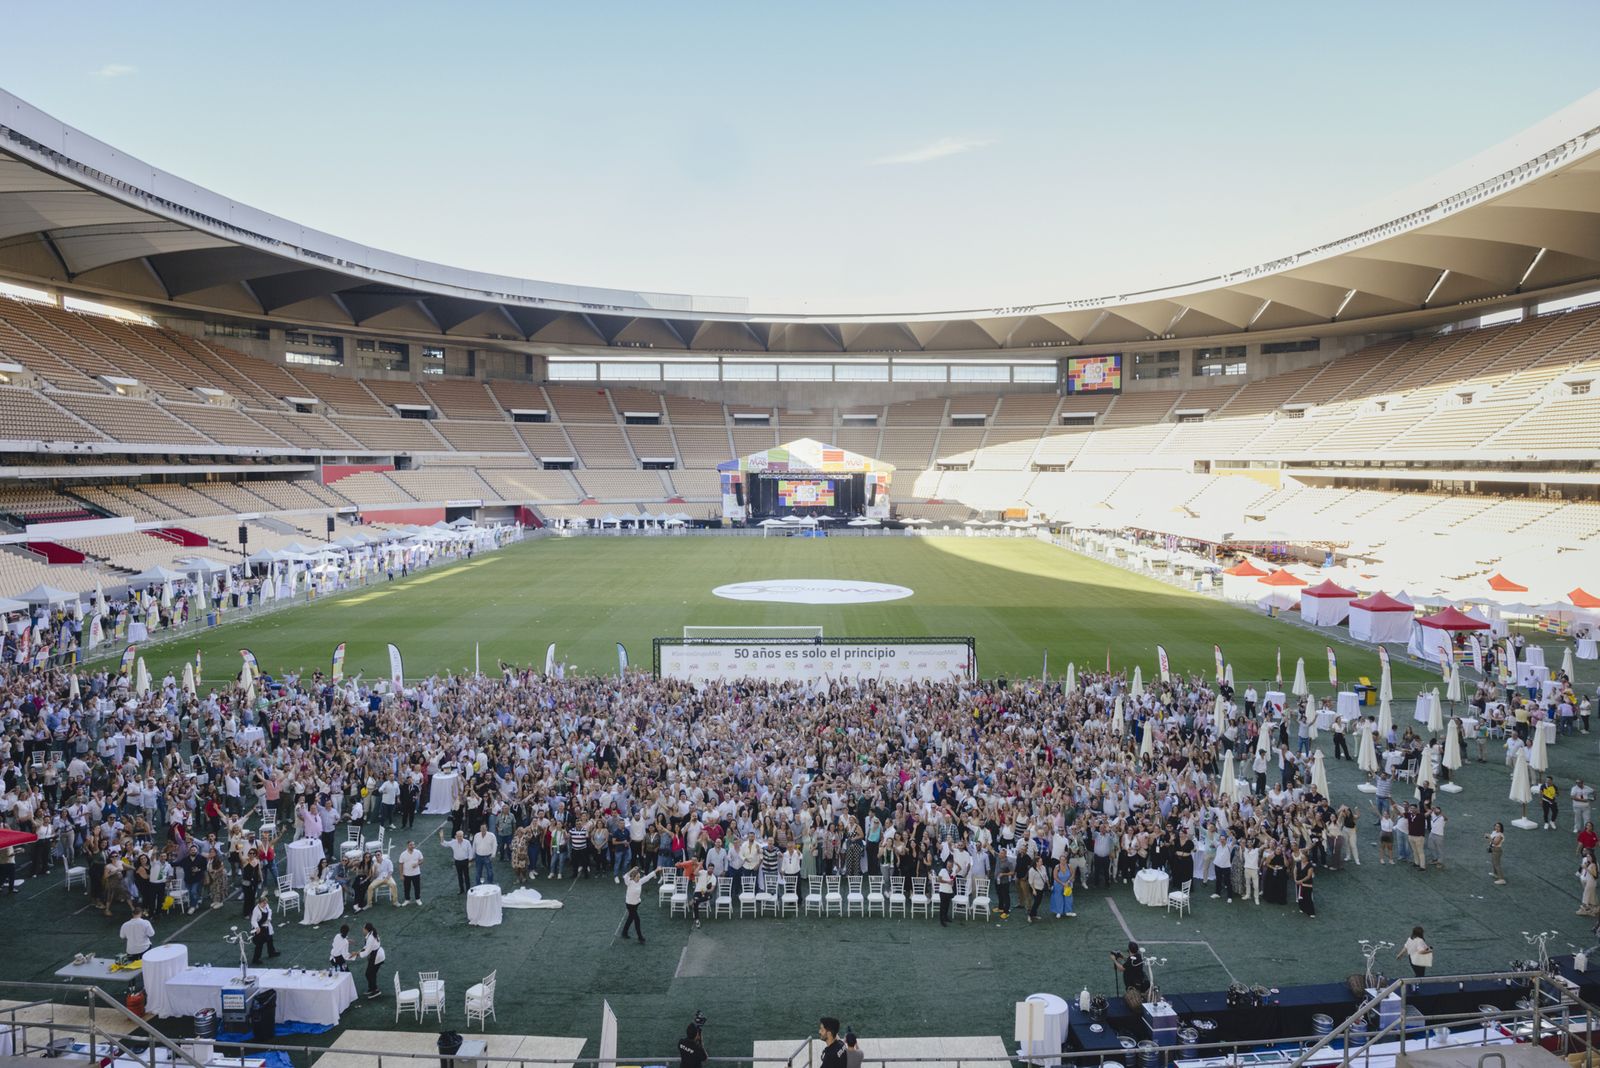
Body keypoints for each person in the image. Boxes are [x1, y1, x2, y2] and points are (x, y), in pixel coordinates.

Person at [621, 865, 654, 944]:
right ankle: (640, 937)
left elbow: (648, 877)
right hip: (630, 904)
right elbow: (625, 876)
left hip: (636, 904)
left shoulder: (640, 882)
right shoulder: (629, 882)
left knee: (630, 918)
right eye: (637, 877)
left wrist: (656, 870)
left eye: (639, 877)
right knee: (637, 920)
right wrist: (632, 869)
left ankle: (624, 932)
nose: (639, 878)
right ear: (633, 877)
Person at [357, 922, 385, 998]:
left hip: (376, 956)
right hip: (376, 955)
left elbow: (367, 952)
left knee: (369, 973)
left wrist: (358, 954)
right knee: (371, 973)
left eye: (363, 928)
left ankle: (375, 990)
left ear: (367, 930)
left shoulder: (370, 938)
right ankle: (372, 989)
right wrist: (360, 951)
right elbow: (367, 947)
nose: (362, 929)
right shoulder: (371, 934)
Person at [249, 895, 280, 964]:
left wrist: (268, 919)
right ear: (259, 903)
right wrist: (257, 927)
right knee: (259, 944)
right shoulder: (256, 910)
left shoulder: (266, 905)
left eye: (266, 903)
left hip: (266, 925)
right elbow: (253, 921)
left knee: (270, 939)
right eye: (263, 903)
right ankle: (255, 959)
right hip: (259, 927)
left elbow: (269, 911)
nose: (265, 904)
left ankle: (271, 952)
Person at [398, 840, 424, 906]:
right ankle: (407, 900)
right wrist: (401, 875)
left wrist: (417, 864)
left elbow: (422, 860)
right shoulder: (403, 854)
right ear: (407, 846)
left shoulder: (418, 852)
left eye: (413, 844)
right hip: (406, 874)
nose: (413, 846)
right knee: (406, 888)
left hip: (416, 873)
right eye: (411, 845)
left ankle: (418, 899)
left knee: (417, 887)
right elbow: (401, 864)